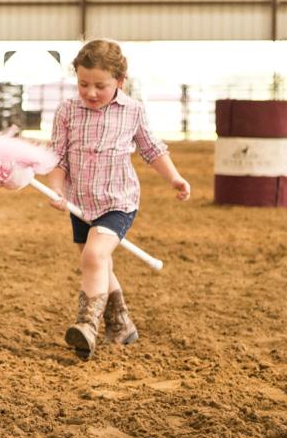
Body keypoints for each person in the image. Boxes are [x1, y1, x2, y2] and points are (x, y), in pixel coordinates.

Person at [44, 39, 191, 359]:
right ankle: (122, 324)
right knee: (99, 263)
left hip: (118, 201)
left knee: (94, 257)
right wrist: (57, 188)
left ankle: (87, 324)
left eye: (100, 85)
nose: (91, 92)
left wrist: (175, 178)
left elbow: (153, 150)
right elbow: (57, 157)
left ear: (120, 82)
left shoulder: (133, 111)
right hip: (80, 204)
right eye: (83, 84)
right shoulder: (67, 111)